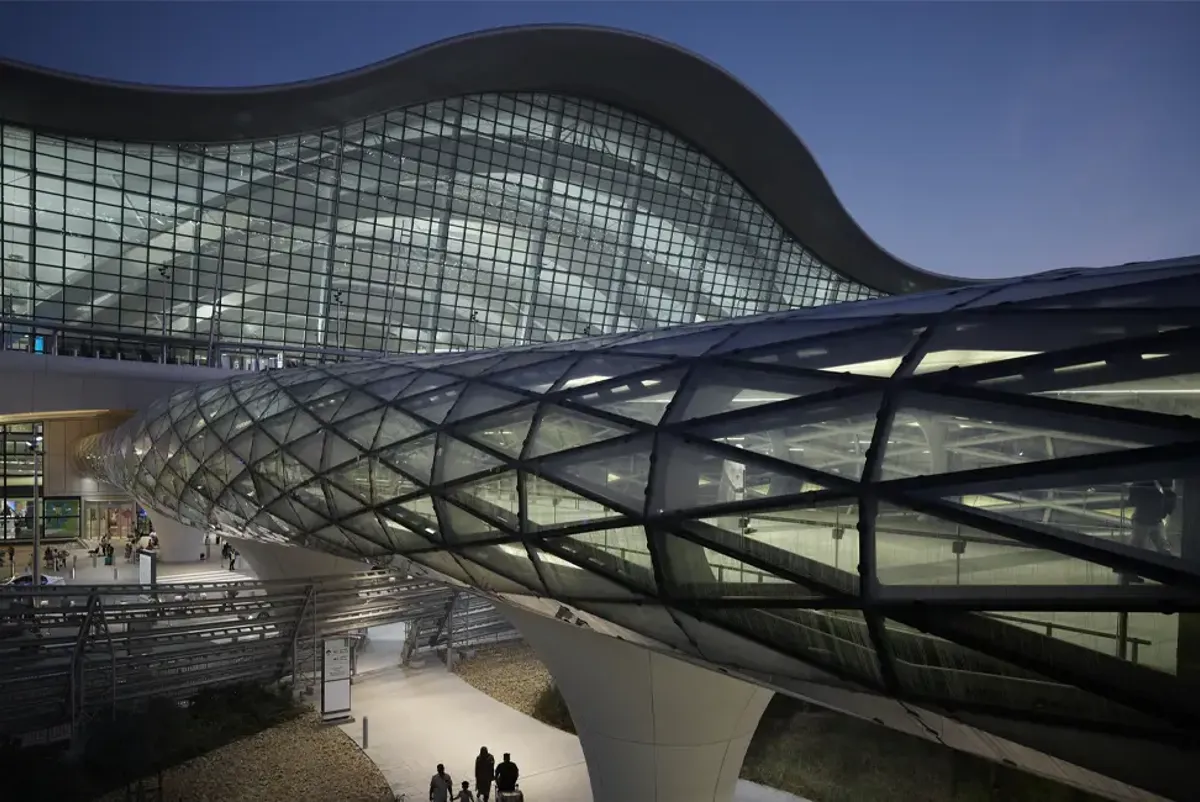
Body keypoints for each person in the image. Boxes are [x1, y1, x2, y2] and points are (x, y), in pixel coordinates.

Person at [1130, 479, 1176, 554]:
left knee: (1163, 548)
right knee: (1139, 549)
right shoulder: (1146, 482)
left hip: (1149, 520)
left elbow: (1132, 498)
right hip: (1145, 521)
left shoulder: (1161, 485)